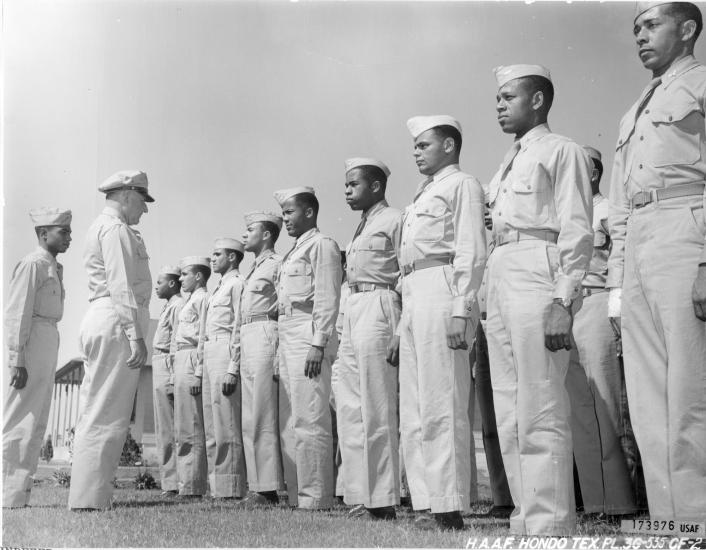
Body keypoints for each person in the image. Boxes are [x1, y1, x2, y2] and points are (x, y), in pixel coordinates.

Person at [607, 1, 706, 520]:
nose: (640, 36)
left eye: (652, 25)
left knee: (691, 389)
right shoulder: (635, 109)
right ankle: (670, 521)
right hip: (640, 241)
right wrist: (619, 284)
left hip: (687, 228)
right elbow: (620, 202)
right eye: (636, 29)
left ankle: (699, 518)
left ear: (687, 29)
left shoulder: (702, 84)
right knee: (648, 400)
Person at [484, 65, 593, 535]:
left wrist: (562, 299)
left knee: (541, 403)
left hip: (538, 267)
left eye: (509, 96)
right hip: (502, 270)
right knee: (510, 408)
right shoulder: (507, 162)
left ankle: (550, 526)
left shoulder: (561, 150)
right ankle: (525, 520)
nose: (500, 105)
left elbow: (577, 229)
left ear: (539, 101)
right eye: (498, 98)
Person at [398, 115, 487, 530]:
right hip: (415, 289)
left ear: (449, 146)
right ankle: (426, 502)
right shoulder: (421, 194)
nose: (417, 152)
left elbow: (470, 249)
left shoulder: (462, 184)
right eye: (415, 146)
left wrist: (461, 308)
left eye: (424, 145)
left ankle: (449, 508)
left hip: (442, 284)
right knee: (416, 407)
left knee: (443, 401)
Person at [69, 170, 154, 510]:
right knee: (107, 412)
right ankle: (90, 499)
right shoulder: (117, 229)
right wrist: (136, 336)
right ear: (127, 194)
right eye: (142, 201)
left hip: (104, 316)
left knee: (97, 407)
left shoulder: (103, 226)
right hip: (116, 318)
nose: (144, 210)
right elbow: (120, 285)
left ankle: (89, 496)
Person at [565, 147, 635, 519]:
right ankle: (594, 504)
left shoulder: (607, 210)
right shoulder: (567, 215)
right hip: (569, 308)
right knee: (580, 410)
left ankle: (623, 503)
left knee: (607, 407)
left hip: (598, 301)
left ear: (593, 173)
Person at [338, 157, 402, 521]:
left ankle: (383, 500)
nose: (347, 192)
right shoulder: (362, 226)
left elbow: (405, 272)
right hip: (354, 307)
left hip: (380, 303)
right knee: (351, 407)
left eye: (353, 185)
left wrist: (400, 325)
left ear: (375, 186)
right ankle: (361, 494)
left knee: (377, 406)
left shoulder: (394, 220)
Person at [274, 186, 342, 510]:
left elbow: (327, 298)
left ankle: (315, 497)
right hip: (287, 330)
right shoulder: (293, 252)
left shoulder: (322, 245)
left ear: (310, 212)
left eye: (290, 212)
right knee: (292, 419)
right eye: (284, 213)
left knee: (311, 416)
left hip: (307, 331)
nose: (285, 218)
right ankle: (297, 493)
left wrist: (318, 343)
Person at [3, 207, 72, 508]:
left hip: (48, 338)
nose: (69, 237)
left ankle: (18, 494)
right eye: (63, 232)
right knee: (20, 417)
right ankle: (5, 492)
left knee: (37, 418)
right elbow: (17, 313)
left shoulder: (53, 267)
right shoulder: (33, 264)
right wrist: (17, 358)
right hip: (31, 341)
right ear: (44, 234)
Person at [237, 212, 285, 507]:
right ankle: (256, 485)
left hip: (266, 329)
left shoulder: (277, 265)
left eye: (250, 230)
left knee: (263, 412)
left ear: (266, 235)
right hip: (247, 333)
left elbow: (284, 302)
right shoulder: (253, 270)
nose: (245, 235)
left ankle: (267, 488)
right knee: (249, 416)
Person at [198, 238, 247, 499]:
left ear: (232, 257)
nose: (213, 258)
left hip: (224, 349)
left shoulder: (237, 284)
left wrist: (233, 366)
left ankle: (231, 487)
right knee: (211, 423)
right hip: (209, 351)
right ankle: (217, 487)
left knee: (226, 421)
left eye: (218, 254)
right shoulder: (218, 288)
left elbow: (239, 325)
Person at [173, 256, 210, 497]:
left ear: (198, 276)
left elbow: (204, 335)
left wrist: (198, 372)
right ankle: (185, 483)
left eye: (185, 274)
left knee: (193, 425)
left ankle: (194, 486)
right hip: (180, 357)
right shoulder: (189, 301)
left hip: (192, 358)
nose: (180, 279)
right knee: (183, 426)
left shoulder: (203, 299)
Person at [152, 265, 185, 496]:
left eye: (160, 282)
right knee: (162, 427)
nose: (156, 286)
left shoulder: (178, 306)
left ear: (172, 283)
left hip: (167, 363)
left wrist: (173, 376)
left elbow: (175, 342)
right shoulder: (168, 307)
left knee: (170, 427)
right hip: (159, 362)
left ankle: (174, 483)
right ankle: (169, 482)